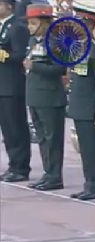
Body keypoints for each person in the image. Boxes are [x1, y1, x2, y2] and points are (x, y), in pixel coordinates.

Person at [67, 6, 95, 201]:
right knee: (84, 148)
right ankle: (88, 184)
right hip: (78, 106)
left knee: (93, 148)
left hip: (91, 108)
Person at [24, 3, 66, 191]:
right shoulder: (34, 42)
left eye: (33, 23)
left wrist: (35, 67)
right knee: (41, 138)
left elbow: (60, 68)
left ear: (45, 23)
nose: (30, 27)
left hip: (50, 97)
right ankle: (48, 172)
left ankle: (55, 175)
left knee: (52, 139)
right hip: (35, 95)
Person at [0, 0, 31, 183]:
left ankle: (21, 167)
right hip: (2, 85)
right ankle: (13, 164)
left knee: (16, 127)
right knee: (7, 129)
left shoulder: (17, 27)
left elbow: (20, 54)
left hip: (13, 85)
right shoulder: (4, 26)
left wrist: (3, 55)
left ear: (8, 6)